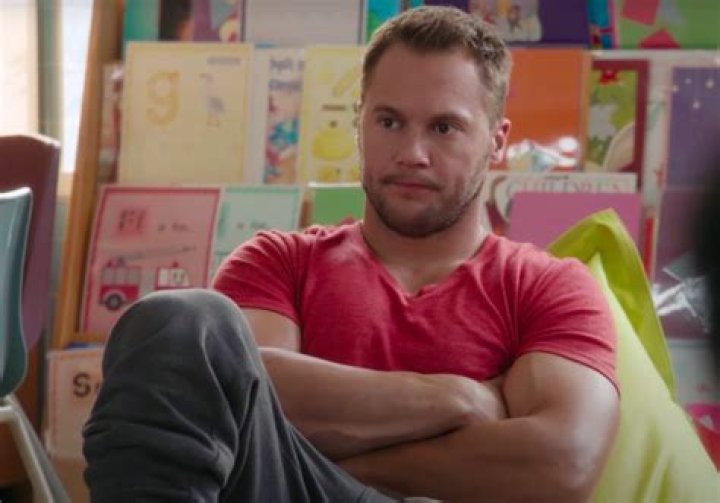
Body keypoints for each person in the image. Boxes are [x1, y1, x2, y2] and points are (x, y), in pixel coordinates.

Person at [83, 6, 619, 502]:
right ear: (359, 123)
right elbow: (229, 396)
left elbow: (564, 464)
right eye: (389, 122)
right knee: (179, 320)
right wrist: (461, 399)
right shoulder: (278, 261)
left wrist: (342, 454)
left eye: (444, 127)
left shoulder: (549, 287)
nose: (412, 153)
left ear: (497, 140)